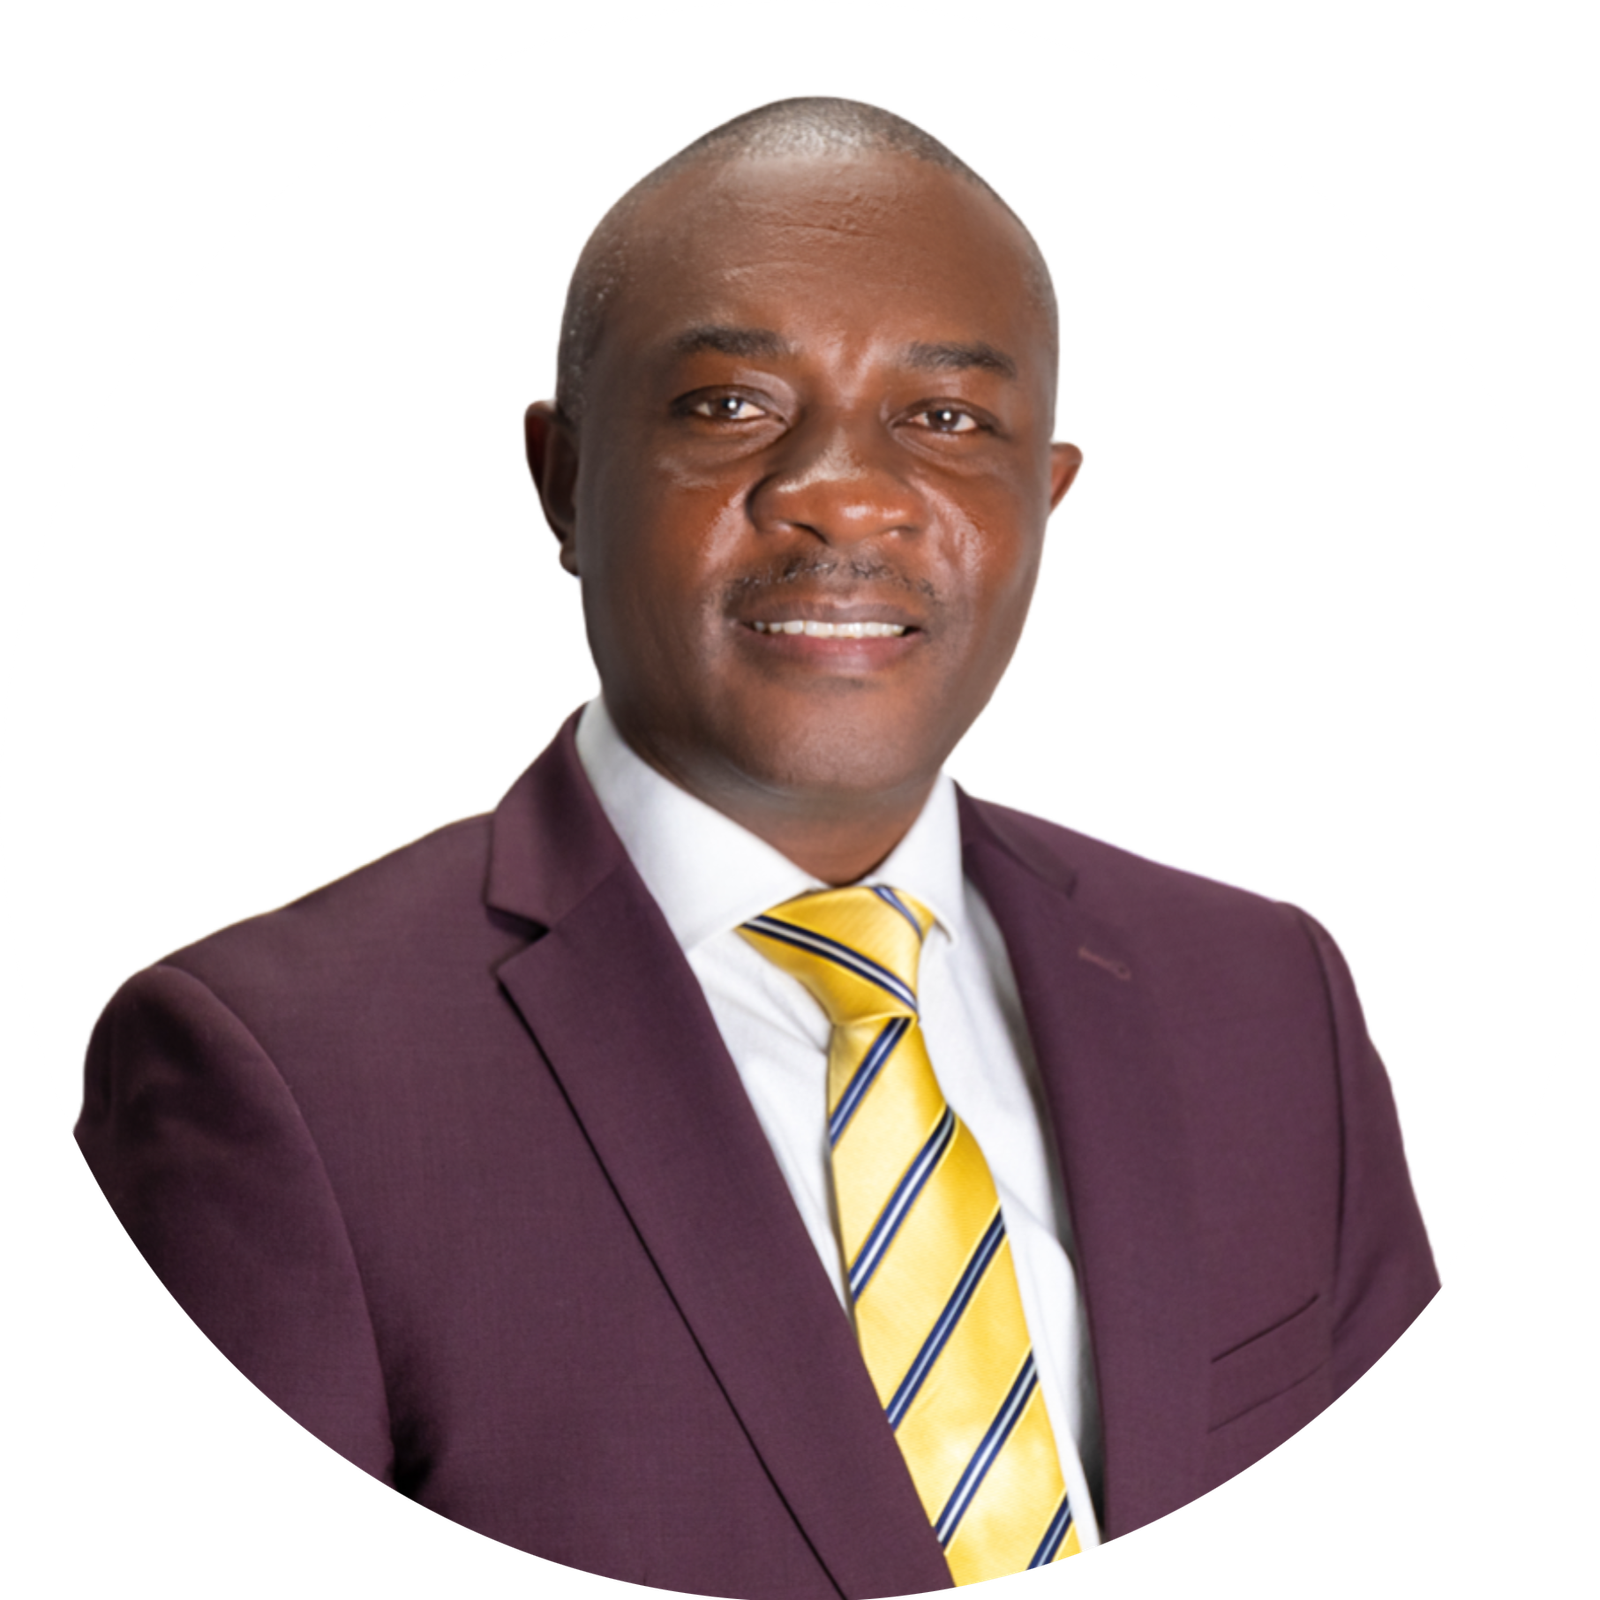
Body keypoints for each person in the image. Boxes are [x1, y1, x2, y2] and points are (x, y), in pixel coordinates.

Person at [74, 98, 1438, 1594]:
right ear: (563, 481)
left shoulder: (1264, 1002)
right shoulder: (276, 1075)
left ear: (1042, 500)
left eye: (947, 420)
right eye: (730, 405)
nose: (844, 495)